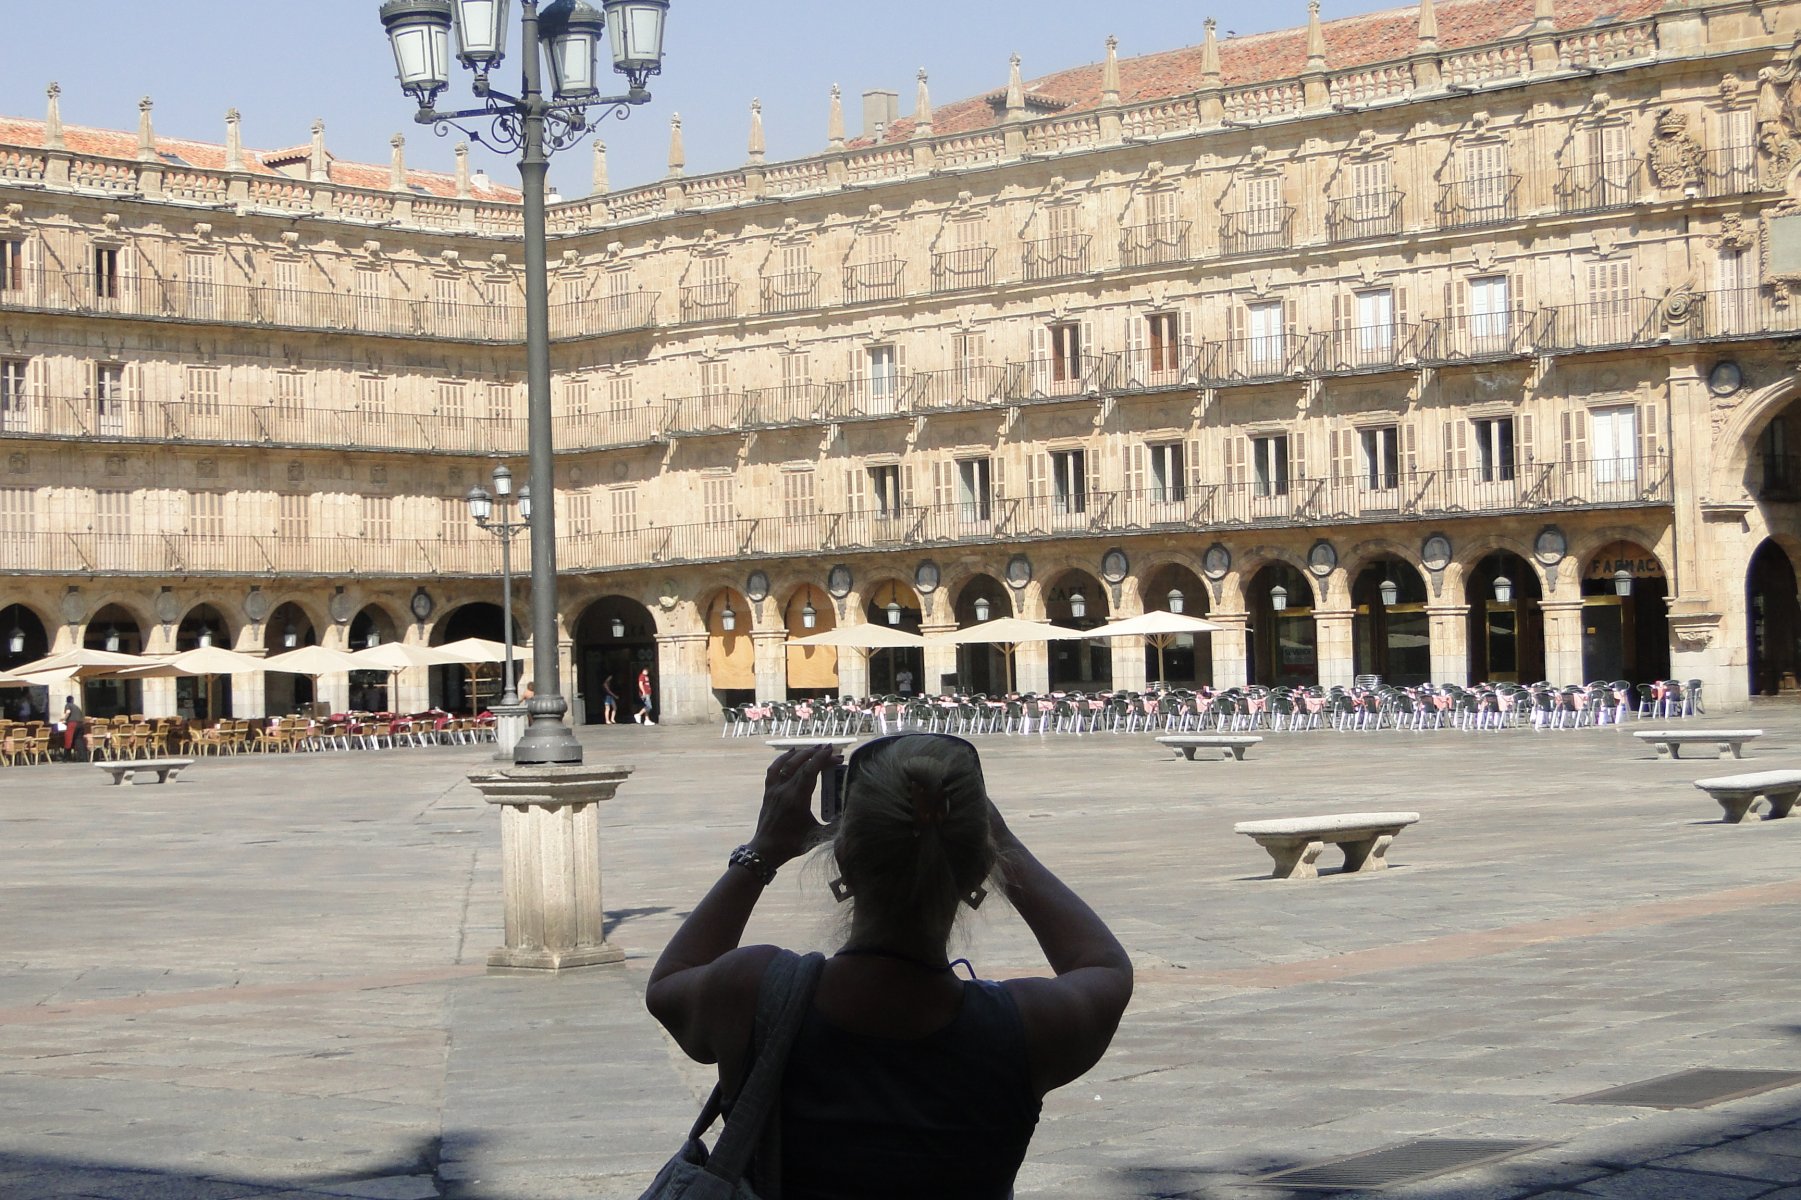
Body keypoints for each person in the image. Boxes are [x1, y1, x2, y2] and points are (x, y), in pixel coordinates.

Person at [646, 735, 1132, 1198]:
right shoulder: (1029, 1028)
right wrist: (1001, 844)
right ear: (980, 865)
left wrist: (763, 851)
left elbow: (668, 982)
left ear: (843, 858)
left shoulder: (751, 990)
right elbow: (1106, 966)